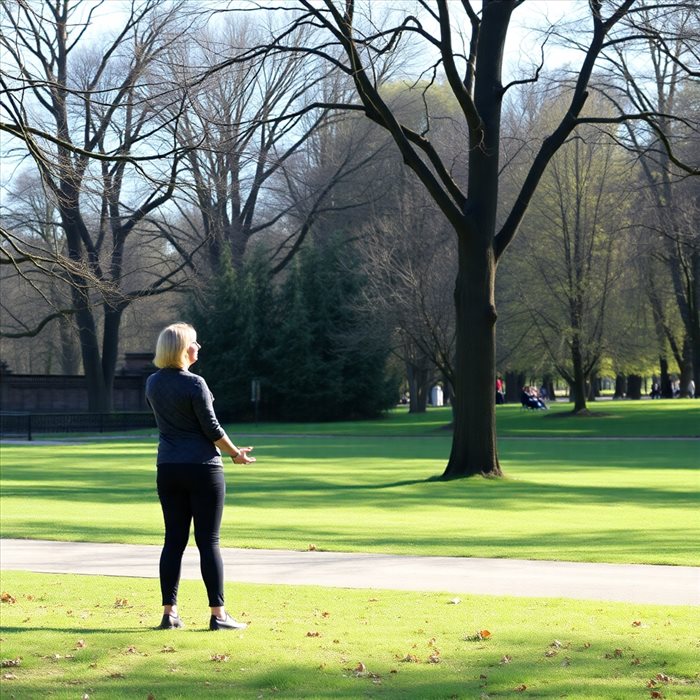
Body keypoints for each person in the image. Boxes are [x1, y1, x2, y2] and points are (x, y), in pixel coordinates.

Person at [145, 322, 256, 631]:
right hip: (203, 467)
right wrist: (236, 453)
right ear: (183, 349)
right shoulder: (196, 384)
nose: (199, 347)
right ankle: (218, 615)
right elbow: (212, 429)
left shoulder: (152, 383)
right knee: (208, 542)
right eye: (194, 343)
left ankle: (170, 613)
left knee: (174, 541)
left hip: (168, 468)